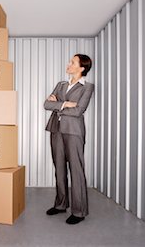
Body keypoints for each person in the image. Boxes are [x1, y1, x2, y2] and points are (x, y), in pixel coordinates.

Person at [43, 53, 94, 225]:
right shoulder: (61, 85)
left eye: (72, 62)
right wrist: (65, 104)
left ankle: (79, 211)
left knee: (76, 170)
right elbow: (46, 104)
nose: (68, 64)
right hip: (56, 130)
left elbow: (79, 111)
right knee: (59, 168)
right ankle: (60, 204)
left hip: (74, 132)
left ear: (81, 68)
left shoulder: (87, 87)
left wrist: (57, 105)